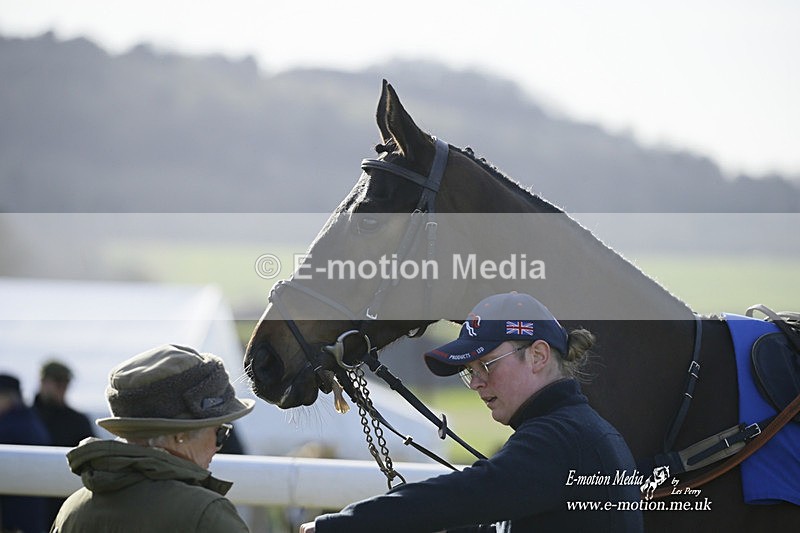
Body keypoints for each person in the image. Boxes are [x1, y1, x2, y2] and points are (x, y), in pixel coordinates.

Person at [300, 292, 643, 532]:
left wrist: (345, 525)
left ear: (538, 356)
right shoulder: (577, 430)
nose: (477, 383)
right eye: (470, 371)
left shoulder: (560, 438)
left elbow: (466, 495)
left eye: (485, 365)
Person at [51, 344, 255, 533]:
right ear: (180, 435)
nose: (218, 447)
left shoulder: (72, 511)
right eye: (220, 432)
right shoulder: (206, 516)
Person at [33, 360, 95, 526]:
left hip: (64, 503)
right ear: (43, 382)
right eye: (58, 381)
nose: (62, 387)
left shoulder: (78, 421)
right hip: (29, 504)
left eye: (65, 382)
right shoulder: (24, 419)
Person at [0, 373, 51, 533]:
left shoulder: (9, 426)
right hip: (33, 515)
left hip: (14, 520)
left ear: (8, 397)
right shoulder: (31, 420)